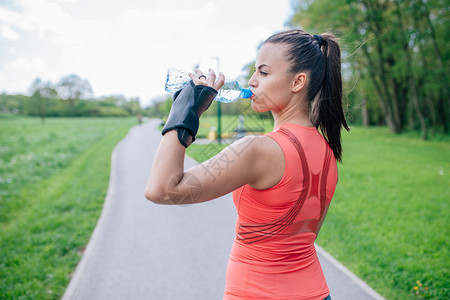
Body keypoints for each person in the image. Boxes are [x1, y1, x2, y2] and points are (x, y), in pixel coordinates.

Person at [145, 29, 349, 300]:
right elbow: (303, 235)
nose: (252, 81)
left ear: (298, 81)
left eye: (263, 73)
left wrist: (184, 111)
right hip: (317, 293)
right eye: (254, 72)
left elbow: (161, 189)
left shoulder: (257, 150)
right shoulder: (327, 152)